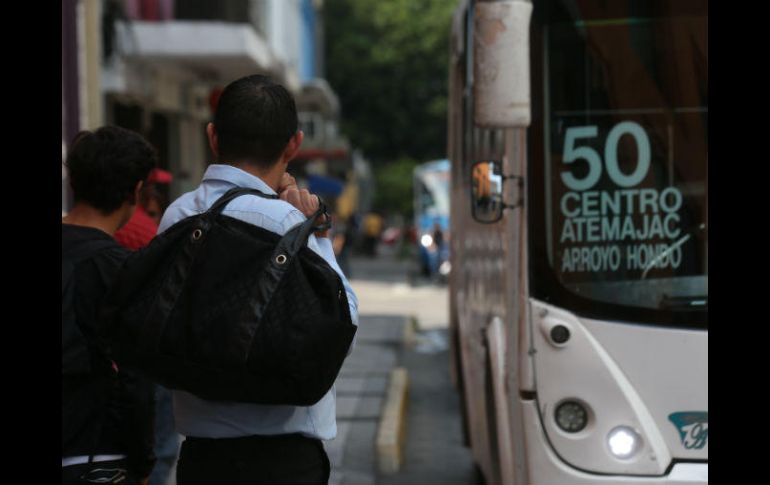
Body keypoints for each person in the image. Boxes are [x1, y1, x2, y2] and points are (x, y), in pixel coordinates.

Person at [157, 74, 359, 485]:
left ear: (213, 137)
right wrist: (318, 233)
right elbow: (342, 328)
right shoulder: (290, 222)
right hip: (283, 458)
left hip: (202, 456)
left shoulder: (178, 216)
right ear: (294, 145)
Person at [62, 126, 157, 485]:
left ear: (74, 182)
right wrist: (143, 462)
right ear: (135, 190)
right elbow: (136, 378)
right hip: (97, 454)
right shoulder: (121, 269)